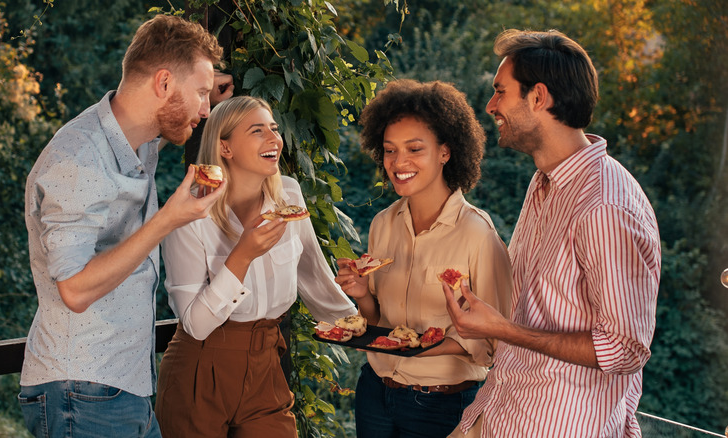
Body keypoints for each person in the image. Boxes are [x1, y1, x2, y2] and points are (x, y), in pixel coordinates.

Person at [18, 14, 234, 437]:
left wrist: (206, 82)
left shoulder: (135, 138)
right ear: (165, 83)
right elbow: (75, 290)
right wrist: (168, 218)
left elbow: (173, 113)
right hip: (81, 392)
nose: (206, 110)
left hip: (118, 388)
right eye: (203, 95)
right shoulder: (79, 160)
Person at [443, 29, 661, 438]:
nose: (490, 105)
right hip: (501, 409)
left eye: (500, 92)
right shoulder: (545, 181)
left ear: (538, 97)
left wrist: (502, 329)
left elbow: (624, 347)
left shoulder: (604, 206)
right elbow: (539, 303)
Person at [154, 96, 357, 437]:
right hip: (199, 371)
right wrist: (242, 256)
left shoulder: (288, 195)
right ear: (226, 148)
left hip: (266, 366)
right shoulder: (190, 212)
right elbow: (195, 325)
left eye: (274, 129)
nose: (274, 139)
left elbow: (313, 275)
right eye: (257, 130)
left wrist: (365, 331)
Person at [333, 79, 513, 438]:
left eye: (415, 149)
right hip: (374, 393)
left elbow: (497, 342)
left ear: (445, 151)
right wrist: (363, 295)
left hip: (440, 405)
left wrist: (417, 349)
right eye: (389, 150)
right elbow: (377, 323)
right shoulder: (383, 224)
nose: (399, 162)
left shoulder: (478, 234)